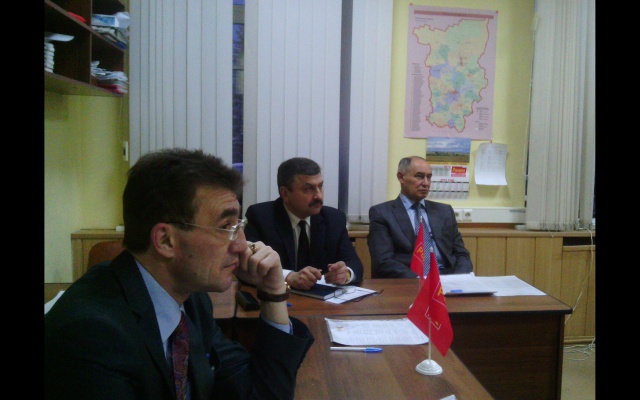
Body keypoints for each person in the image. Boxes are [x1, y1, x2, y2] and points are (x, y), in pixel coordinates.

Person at [45, 148, 314, 400]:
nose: (242, 245)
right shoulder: (90, 335)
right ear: (165, 240)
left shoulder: (189, 299)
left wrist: (273, 292)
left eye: (239, 225)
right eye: (226, 226)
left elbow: (259, 393)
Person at [244, 157, 363, 290]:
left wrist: (345, 273)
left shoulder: (333, 219)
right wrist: (288, 276)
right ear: (285, 193)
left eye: (320, 186)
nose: (319, 196)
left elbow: (354, 264)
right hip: (275, 296)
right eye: (308, 189)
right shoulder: (261, 217)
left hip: (321, 299)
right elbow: (248, 264)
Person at [368, 155, 473, 278]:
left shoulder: (444, 211)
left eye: (429, 177)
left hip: (446, 278)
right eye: (419, 176)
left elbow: (461, 254)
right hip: (409, 280)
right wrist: (421, 280)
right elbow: (383, 261)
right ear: (401, 177)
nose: (426, 183)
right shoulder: (382, 213)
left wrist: (459, 279)